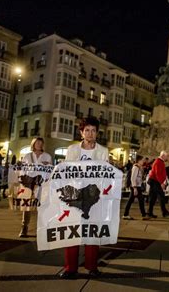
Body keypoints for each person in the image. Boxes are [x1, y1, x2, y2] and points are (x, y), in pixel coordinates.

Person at [61, 117, 109, 279]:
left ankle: (92, 266)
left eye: (93, 130)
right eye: (87, 130)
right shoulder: (72, 150)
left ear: (97, 133)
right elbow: (66, 172)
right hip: (74, 195)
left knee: (92, 233)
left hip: (93, 196)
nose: (90, 133)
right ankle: (70, 267)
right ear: (81, 132)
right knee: (72, 232)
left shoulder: (103, 151)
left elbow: (105, 174)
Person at [19, 137, 52, 237]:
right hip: (29, 184)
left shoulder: (47, 156)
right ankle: (24, 227)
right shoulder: (27, 156)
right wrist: (23, 182)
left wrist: (47, 166)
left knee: (42, 206)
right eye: (37, 142)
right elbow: (23, 170)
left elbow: (50, 171)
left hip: (42, 184)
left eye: (41, 143)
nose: (39, 144)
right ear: (33, 144)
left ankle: (41, 228)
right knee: (27, 206)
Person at [147, 151, 169, 218]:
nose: (167, 157)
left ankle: (149, 212)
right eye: (166, 156)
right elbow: (157, 173)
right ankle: (164, 212)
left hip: (155, 181)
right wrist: (161, 183)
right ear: (163, 156)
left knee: (153, 197)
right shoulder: (158, 162)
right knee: (161, 196)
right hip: (155, 181)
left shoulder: (160, 161)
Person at [123, 155, 148, 220]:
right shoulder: (135, 167)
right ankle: (143, 214)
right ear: (139, 160)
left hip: (137, 186)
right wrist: (134, 188)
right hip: (135, 187)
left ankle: (126, 214)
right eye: (142, 160)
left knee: (136, 200)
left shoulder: (139, 167)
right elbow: (133, 178)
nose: (143, 161)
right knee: (138, 200)